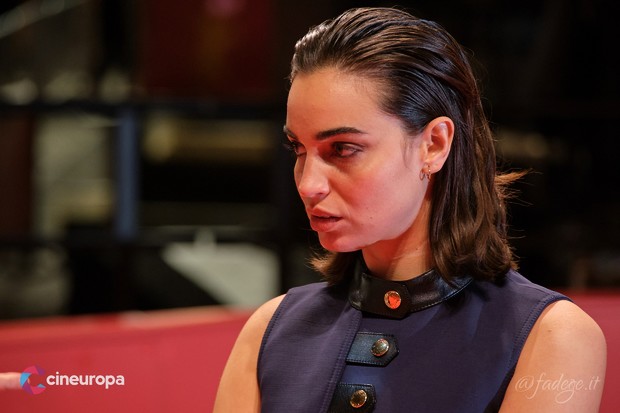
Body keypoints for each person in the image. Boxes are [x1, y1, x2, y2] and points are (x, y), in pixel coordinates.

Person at [214, 7, 606, 412]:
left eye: (343, 149)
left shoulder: (550, 336)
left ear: (434, 145)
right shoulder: (270, 331)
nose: (308, 184)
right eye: (298, 149)